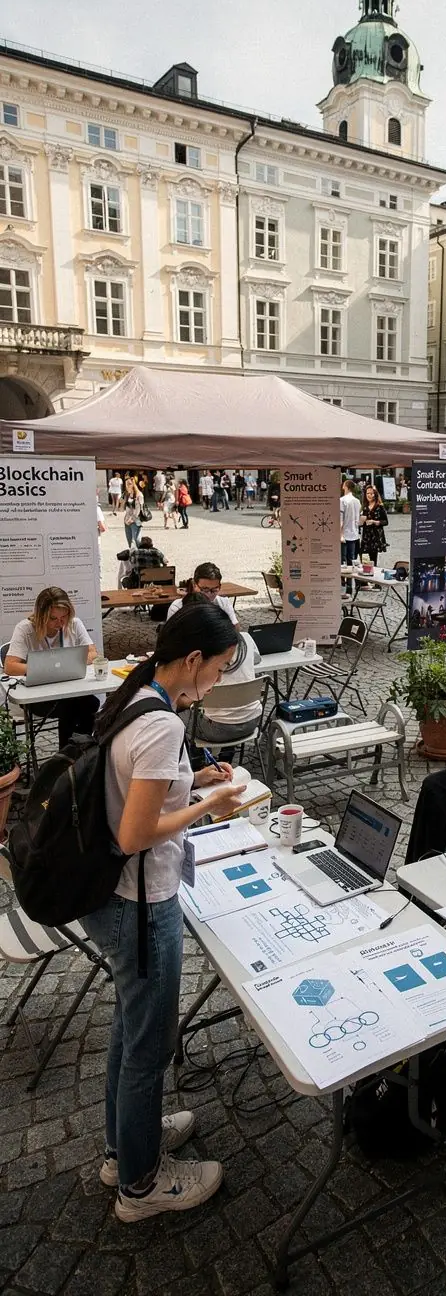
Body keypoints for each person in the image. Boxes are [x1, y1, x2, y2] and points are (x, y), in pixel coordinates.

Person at [83, 603, 247, 1222]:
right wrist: (213, 804)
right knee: (148, 1046)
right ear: (193, 661)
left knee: (130, 1030)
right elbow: (136, 833)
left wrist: (197, 777)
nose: (220, 681)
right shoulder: (162, 726)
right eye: (220, 668)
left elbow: (136, 785)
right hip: (142, 903)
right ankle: (142, 1186)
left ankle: (122, 1148)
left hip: (118, 900)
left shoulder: (140, 697)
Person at [4, 587, 99, 747]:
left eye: (64, 617)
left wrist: (73, 663)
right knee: (71, 707)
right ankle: (69, 756)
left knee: (92, 704)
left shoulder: (74, 624)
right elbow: (10, 666)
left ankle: (80, 750)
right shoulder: (25, 629)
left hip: (70, 689)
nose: (60, 623)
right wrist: (41, 668)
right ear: (41, 616)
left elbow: (93, 653)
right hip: (39, 696)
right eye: (53, 618)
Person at [179, 592, 262, 762]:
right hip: (253, 721)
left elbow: (189, 693)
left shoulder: (199, 651)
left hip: (216, 729)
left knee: (177, 711)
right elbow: (257, 660)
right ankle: (226, 757)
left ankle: (193, 763)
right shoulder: (245, 638)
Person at [165, 563, 238, 624]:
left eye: (214, 590)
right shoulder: (177, 607)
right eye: (205, 590)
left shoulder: (223, 603)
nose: (209, 594)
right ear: (194, 585)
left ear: (219, 586)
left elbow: (235, 629)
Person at [359, 484, 389, 565]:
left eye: (371, 493)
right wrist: (361, 521)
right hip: (366, 537)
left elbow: (385, 522)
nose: (369, 495)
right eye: (367, 493)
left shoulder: (379, 507)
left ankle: (371, 575)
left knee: (372, 562)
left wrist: (374, 522)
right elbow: (361, 522)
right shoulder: (364, 507)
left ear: (375, 494)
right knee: (364, 560)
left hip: (375, 538)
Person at [340, 479, 362, 586]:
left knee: (342, 561)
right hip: (354, 534)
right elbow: (358, 519)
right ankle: (349, 585)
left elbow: (341, 520)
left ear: (345, 486)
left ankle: (342, 583)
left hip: (344, 534)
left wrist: (340, 534)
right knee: (351, 560)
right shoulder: (357, 501)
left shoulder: (342, 500)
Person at [122, 476, 144, 548]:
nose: (127, 486)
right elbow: (124, 509)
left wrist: (131, 520)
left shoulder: (139, 495)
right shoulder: (127, 495)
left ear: (133, 484)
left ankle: (141, 555)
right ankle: (132, 556)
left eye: (129, 484)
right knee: (129, 541)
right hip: (127, 520)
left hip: (135, 521)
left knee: (137, 540)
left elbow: (138, 510)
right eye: (126, 484)